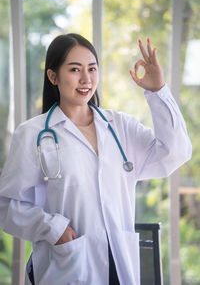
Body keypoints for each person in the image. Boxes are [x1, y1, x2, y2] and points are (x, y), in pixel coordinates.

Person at [0, 33, 192, 285]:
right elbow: (6, 206)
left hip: (120, 265)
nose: (86, 79)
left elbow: (175, 153)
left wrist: (158, 91)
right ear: (53, 76)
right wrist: (53, 229)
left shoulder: (120, 126)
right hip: (68, 265)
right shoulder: (33, 134)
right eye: (74, 69)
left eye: (92, 69)